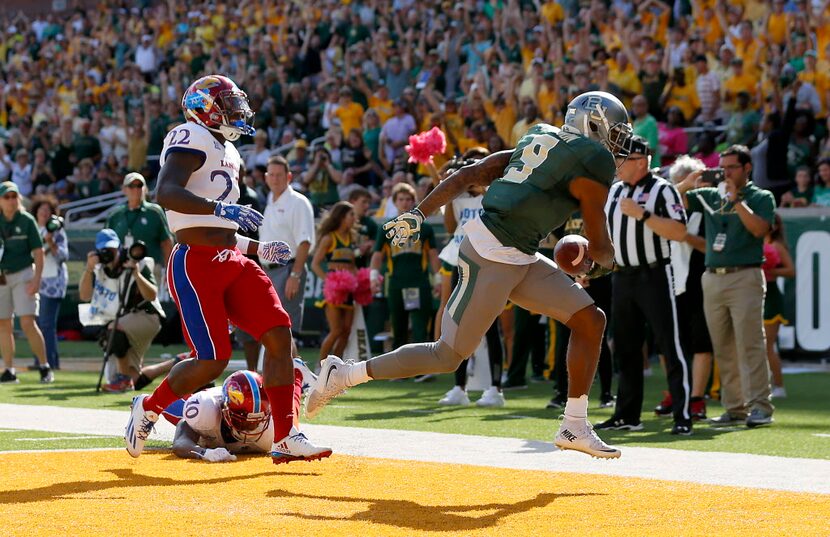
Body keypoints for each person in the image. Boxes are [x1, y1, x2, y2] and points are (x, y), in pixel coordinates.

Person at [308, 91, 632, 459]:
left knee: (590, 320)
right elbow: (601, 244)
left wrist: (419, 212)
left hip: (518, 254)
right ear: (594, 124)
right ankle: (344, 375)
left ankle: (574, 424)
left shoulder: (540, 136)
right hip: (491, 253)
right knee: (446, 356)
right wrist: (598, 262)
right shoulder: (592, 161)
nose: (616, 143)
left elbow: (470, 174)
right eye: (615, 131)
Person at [123, 75, 329, 463]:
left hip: (230, 259)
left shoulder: (229, 152)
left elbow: (223, 232)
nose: (237, 112)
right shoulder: (191, 135)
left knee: (279, 334)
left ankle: (286, 436)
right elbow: (165, 192)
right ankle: (149, 407)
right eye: (228, 104)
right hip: (195, 263)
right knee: (211, 359)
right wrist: (221, 209)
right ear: (205, 108)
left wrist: (258, 247)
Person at [595, 136, 692, 436]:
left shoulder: (663, 191)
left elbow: (678, 231)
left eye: (622, 159)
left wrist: (644, 215)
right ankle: (627, 414)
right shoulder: (613, 191)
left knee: (668, 345)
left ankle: (682, 415)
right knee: (625, 347)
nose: (616, 165)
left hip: (654, 276)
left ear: (641, 161)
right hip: (622, 276)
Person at [677, 145, 776, 428]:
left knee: (751, 344)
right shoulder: (710, 194)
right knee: (723, 347)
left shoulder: (761, 197)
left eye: (732, 167)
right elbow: (673, 200)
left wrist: (736, 201)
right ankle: (735, 408)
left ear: (747, 168)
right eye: (722, 167)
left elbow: (759, 230)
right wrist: (688, 182)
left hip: (745, 275)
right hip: (712, 276)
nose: (725, 173)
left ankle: (761, 407)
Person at [432, 150, 505, 408]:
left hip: (487, 261)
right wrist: (451, 190)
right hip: (459, 260)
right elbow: (451, 228)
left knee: (491, 326)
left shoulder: (494, 191)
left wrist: (479, 185)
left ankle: (496, 388)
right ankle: (459, 387)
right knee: (457, 322)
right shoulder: (460, 197)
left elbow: (500, 211)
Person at [171, 364, 331, 464]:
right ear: (225, 409)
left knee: (290, 420)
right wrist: (203, 453)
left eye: (256, 421)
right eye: (244, 421)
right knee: (168, 406)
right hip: (206, 411)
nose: (251, 427)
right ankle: (148, 403)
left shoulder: (271, 430)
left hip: (266, 426)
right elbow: (180, 442)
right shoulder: (206, 408)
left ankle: (297, 374)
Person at [80, 229, 164, 393]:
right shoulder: (99, 268)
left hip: (147, 316)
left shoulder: (136, 261)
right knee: (123, 377)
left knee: (113, 329)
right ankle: (176, 363)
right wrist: (89, 269)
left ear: (119, 247)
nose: (108, 254)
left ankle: (123, 380)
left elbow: (152, 295)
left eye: (111, 249)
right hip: (124, 320)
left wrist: (137, 274)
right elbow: (84, 296)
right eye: (104, 250)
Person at [370, 183, 440, 357]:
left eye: (408, 199)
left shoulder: (425, 228)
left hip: (419, 283)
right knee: (398, 328)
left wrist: (438, 280)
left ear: (414, 201)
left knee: (420, 328)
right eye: (400, 199)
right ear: (394, 202)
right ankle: (399, 368)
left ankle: (421, 369)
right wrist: (373, 277)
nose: (405, 203)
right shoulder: (386, 227)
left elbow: (433, 255)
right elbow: (377, 255)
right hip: (395, 284)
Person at [668, 156, 714, 421]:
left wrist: (682, 235)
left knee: (700, 341)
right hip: (670, 278)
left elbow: (709, 246)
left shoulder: (709, 207)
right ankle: (675, 393)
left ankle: (696, 398)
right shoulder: (666, 205)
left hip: (699, 278)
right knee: (670, 343)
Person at [259, 155, 316, 348]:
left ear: (289, 177)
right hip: (268, 270)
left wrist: (295, 274)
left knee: (284, 329)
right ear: (266, 177)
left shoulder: (298, 202)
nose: (275, 179)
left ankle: (295, 375)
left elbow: (305, 242)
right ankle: (276, 374)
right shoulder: (269, 201)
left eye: (279, 175)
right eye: (271, 175)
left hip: (288, 268)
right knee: (271, 327)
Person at [0, 182, 53, 384]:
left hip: (23, 274)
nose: (11, 200)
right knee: (3, 324)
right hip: (1, 276)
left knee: (27, 322)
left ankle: (44, 366)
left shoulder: (27, 220)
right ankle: (9, 370)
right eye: (7, 197)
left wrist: (37, 279)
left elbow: (39, 253)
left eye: (14, 196)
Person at [311, 201, 357, 363]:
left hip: (349, 289)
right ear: (342, 217)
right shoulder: (329, 238)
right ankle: (321, 365)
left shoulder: (352, 237)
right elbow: (315, 264)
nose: (354, 218)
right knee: (336, 330)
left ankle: (336, 367)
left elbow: (352, 264)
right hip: (334, 290)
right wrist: (329, 281)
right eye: (351, 215)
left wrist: (357, 280)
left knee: (346, 331)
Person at [106, 172, 174, 271]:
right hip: (121, 269)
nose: (136, 189)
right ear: (124, 190)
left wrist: (169, 269)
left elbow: (166, 242)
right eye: (131, 186)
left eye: (139, 185)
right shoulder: (115, 215)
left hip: (150, 268)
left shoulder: (154, 212)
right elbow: (107, 243)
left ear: (145, 189)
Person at [762, 214, 795, 399]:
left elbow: (791, 270)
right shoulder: (753, 240)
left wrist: (769, 270)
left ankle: (779, 386)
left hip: (772, 297)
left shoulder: (777, 246)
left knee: (767, 345)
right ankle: (762, 385)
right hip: (754, 294)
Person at [33, 200, 68, 371]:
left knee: (47, 324)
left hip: (53, 284)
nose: (45, 213)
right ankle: (39, 362)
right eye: (42, 209)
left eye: (48, 210)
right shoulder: (32, 230)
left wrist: (51, 243)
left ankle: (51, 364)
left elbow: (63, 256)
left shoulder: (57, 230)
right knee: (36, 324)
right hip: (35, 282)